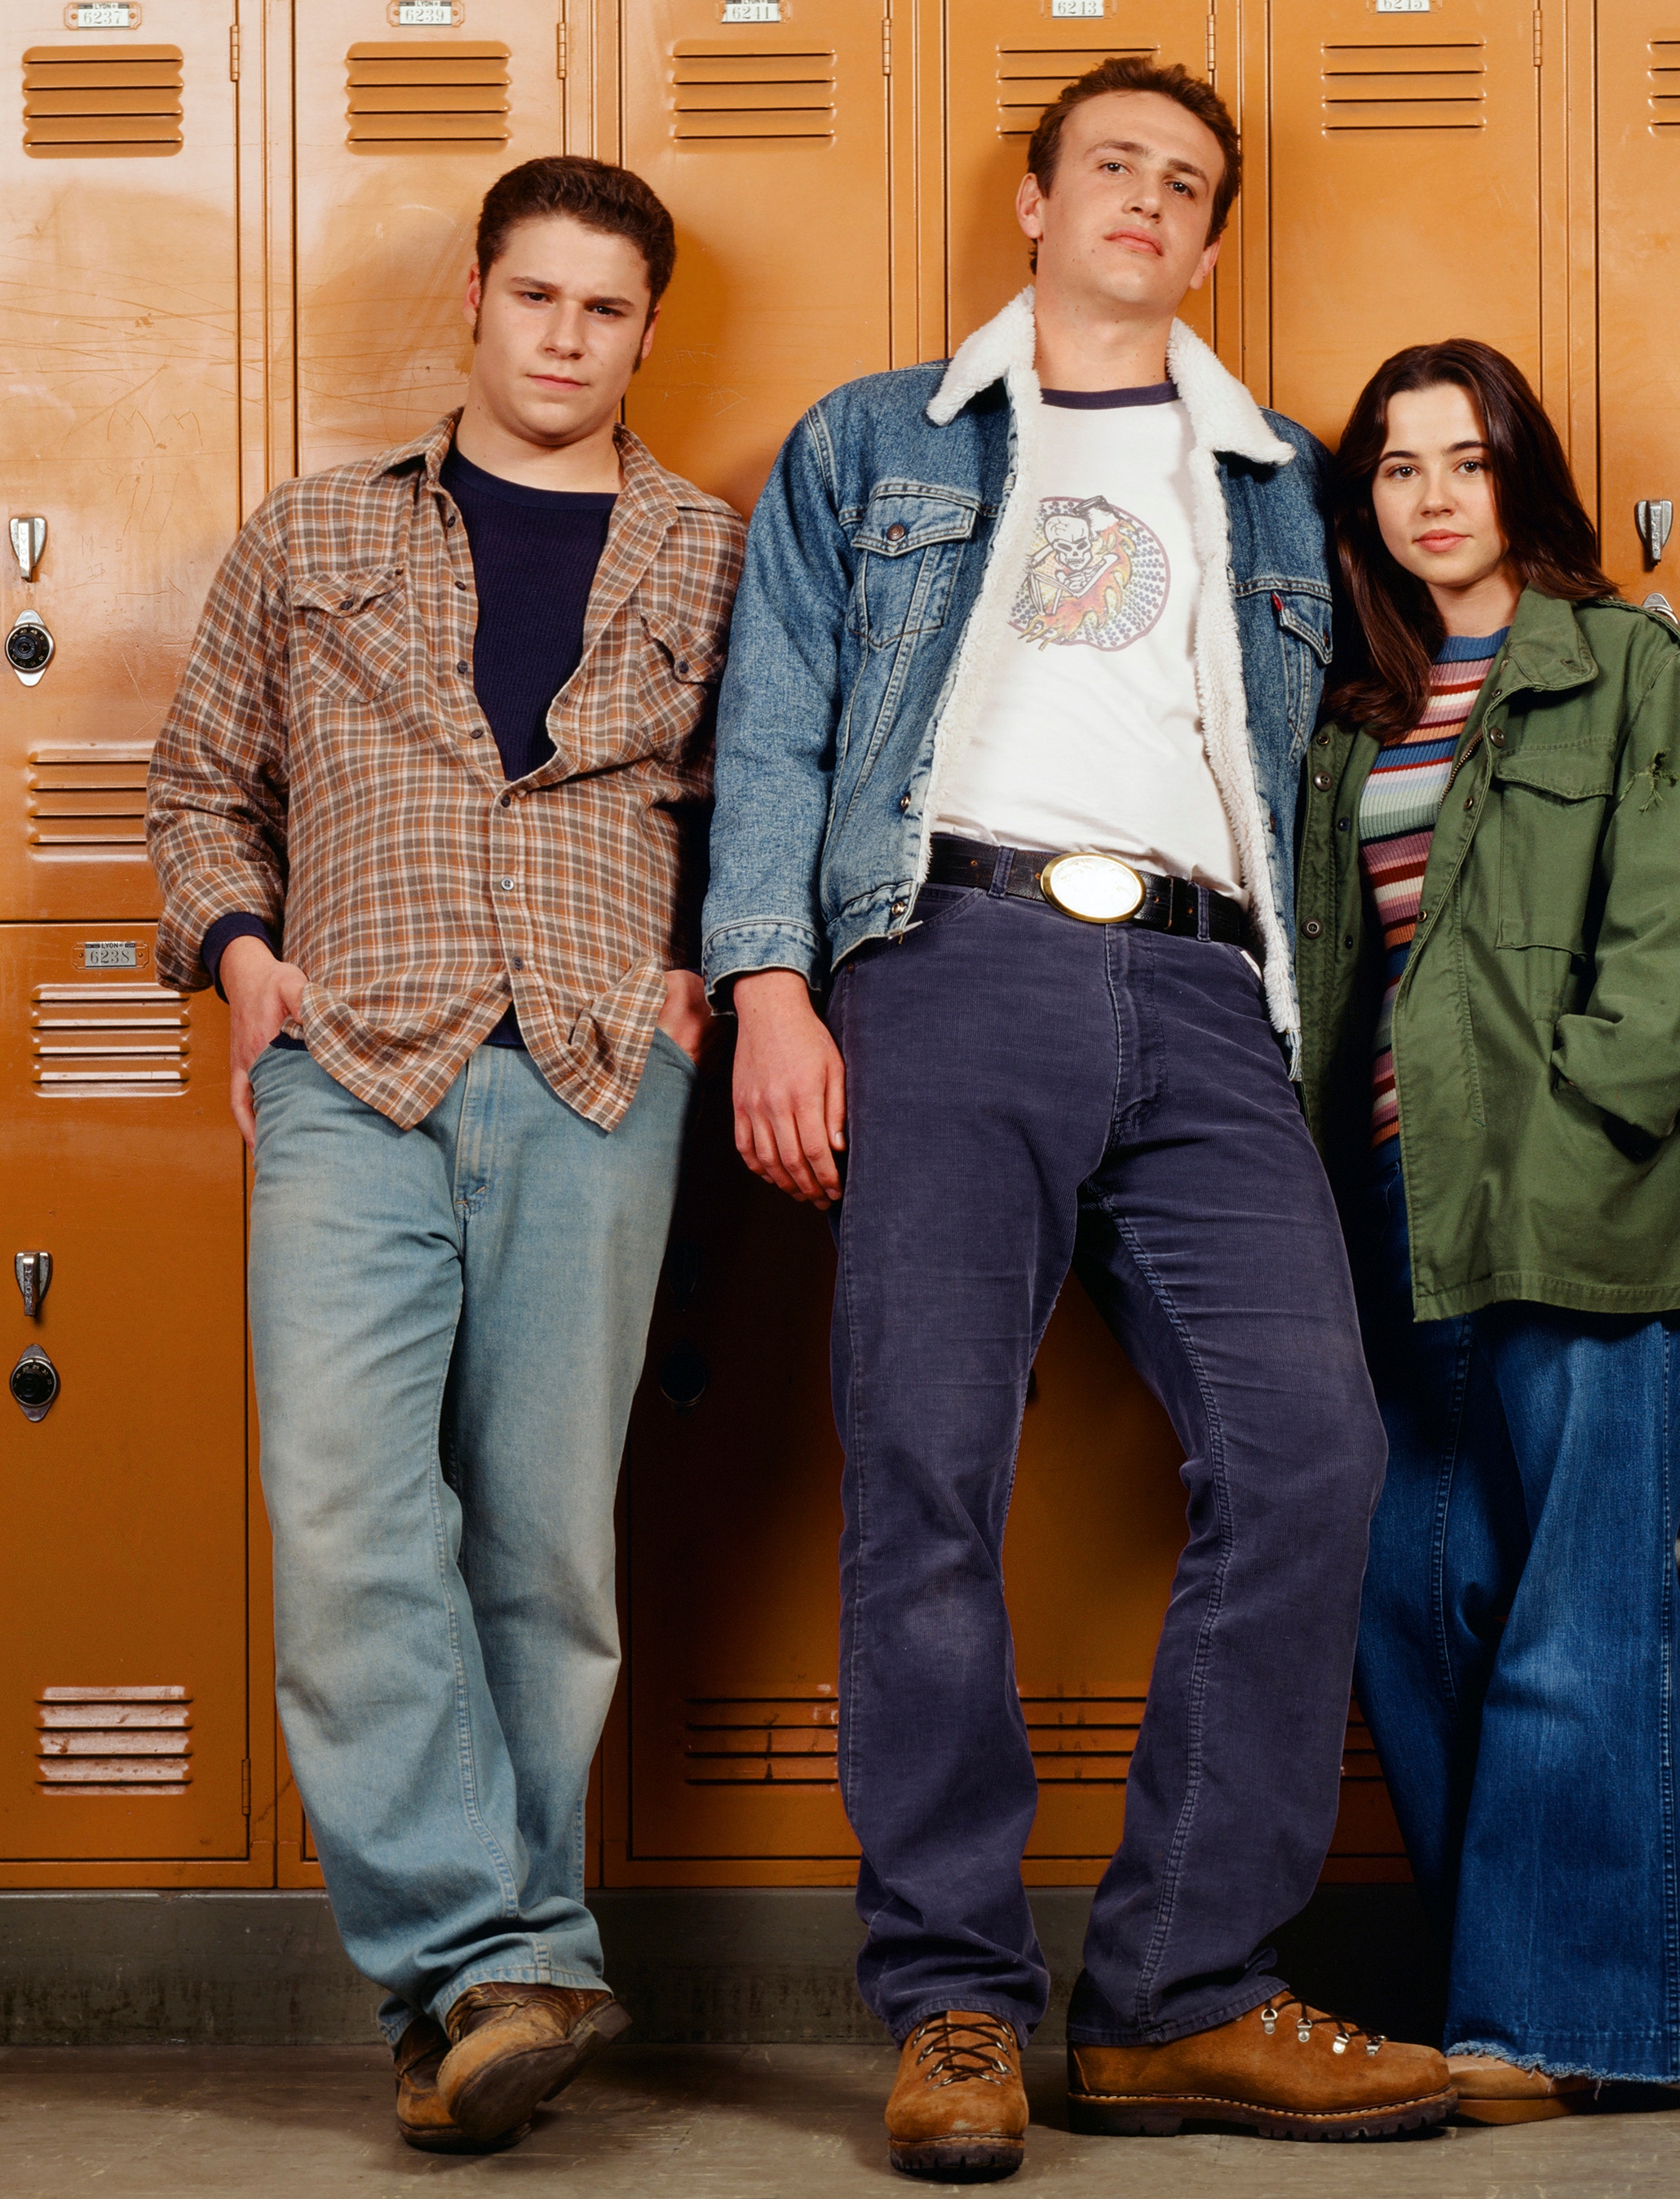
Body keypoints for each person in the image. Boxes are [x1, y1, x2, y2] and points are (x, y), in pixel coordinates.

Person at [701, 56, 1451, 2181]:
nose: (1147, 198)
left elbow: (1405, 680)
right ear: (1034, 205)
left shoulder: (1281, 477)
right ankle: (953, 2003)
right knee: (927, 1478)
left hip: (1211, 992)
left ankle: (1181, 1997)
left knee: (1313, 1453)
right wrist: (771, 983)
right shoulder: (874, 439)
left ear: (1209, 239)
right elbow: (777, 727)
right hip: (951, 955)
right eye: (1112, 165)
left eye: (1186, 183)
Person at [146, 158, 742, 2153]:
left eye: (607, 308)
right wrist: (240, 957)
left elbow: (768, 803)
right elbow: (197, 786)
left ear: (644, 332)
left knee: (544, 1550)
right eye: (537, 295)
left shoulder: (708, 552)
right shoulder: (312, 530)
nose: (567, 336)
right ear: (475, 300)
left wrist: (720, 975)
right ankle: (498, 1952)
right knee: (346, 1524)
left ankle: (470, 2008)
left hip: (596, 1070)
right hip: (350, 1067)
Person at [1293, 340, 1680, 2119]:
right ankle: (1498, 1988)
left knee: (1578, 1612)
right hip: (1389, 1205)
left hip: (1578, 1190)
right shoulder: (1355, 713)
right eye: (1398, 466)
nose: (1435, 496)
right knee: (1408, 1598)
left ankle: (1572, 2024)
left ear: (1525, 476)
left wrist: (1575, 1118)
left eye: (1468, 458)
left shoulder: (1626, 665)